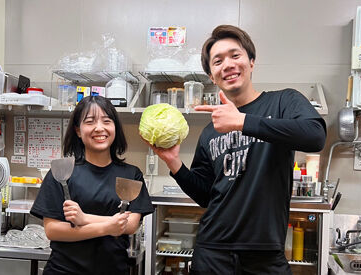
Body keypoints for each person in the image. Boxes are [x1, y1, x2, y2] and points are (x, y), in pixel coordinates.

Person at [144, 25, 326, 274]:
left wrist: (243, 122)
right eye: (217, 61)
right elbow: (206, 196)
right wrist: (174, 163)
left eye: (235, 55)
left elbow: (315, 136)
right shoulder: (210, 131)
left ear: (251, 62)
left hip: (265, 254)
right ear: (212, 76)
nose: (227, 64)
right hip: (212, 252)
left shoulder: (284, 101)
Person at [31, 96, 154, 275]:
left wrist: (84, 219)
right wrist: (107, 227)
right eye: (90, 122)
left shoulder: (131, 174)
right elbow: (53, 230)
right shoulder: (63, 171)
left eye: (106, 121)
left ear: (115, 128)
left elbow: (130, 225)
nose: (99, 128)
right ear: (78, 130)